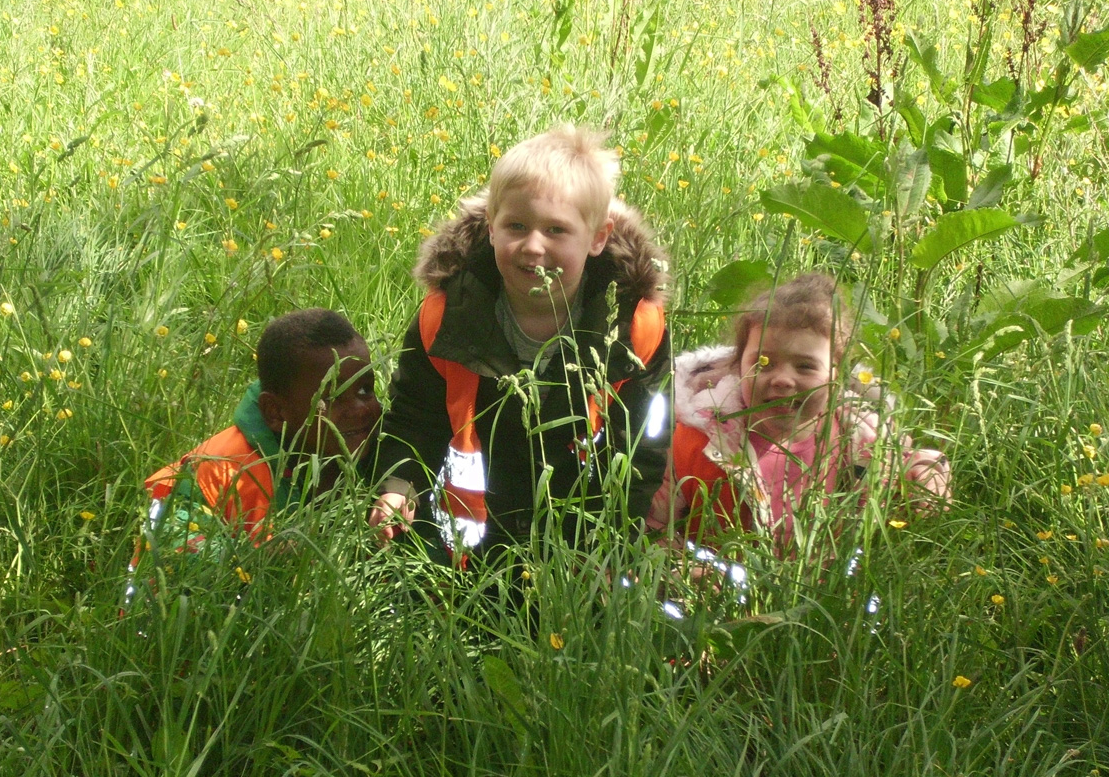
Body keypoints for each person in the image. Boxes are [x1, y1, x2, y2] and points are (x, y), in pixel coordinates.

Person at [368, 125, 671, 560]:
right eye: (516, 225)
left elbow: (644, 447)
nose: (533, 246)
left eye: (556, 230)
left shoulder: (634, 326)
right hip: (467, 547)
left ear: (598, 238)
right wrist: (398, 489)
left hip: (579, 545)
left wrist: (612, 545)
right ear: (491, 227)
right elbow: (413, 421)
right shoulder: (447, 317)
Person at [647, 273, 949, 562]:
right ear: (737, 365)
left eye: (805, 367)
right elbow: (652, 527)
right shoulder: (697, 440)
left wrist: (927, 475)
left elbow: (907, 464)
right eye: (763, 363)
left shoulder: (861, 437)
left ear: (837, 373)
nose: (782, 379)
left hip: (827, 600)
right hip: (716, 599)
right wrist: (682, 572)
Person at [131, 308, 382, 574]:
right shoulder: (220, 468)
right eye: (331, 397)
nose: (360, 409)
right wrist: (254, 558)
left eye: (365, 389)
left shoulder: (383, 446)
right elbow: (164, 546)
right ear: (275, 412)